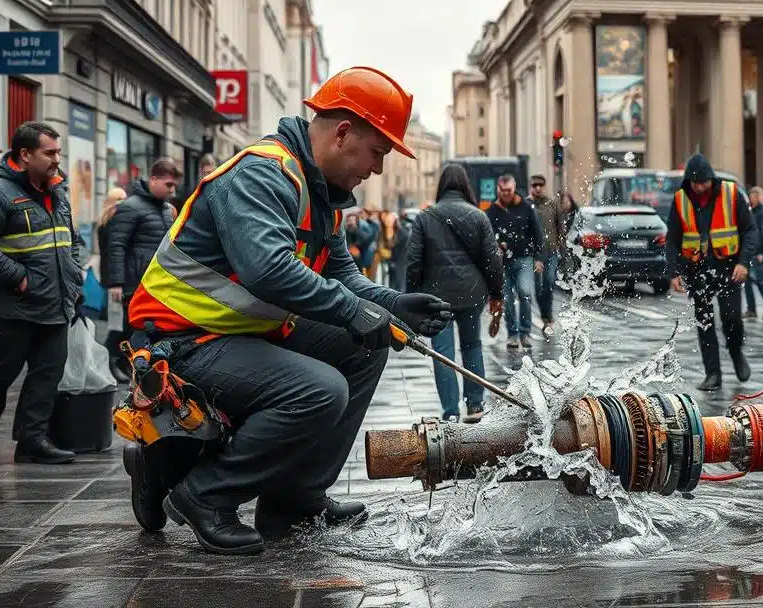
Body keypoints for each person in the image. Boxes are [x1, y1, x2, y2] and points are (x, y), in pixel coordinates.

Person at [122, 66, 451, 555]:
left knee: (367, 347)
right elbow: (268, 271)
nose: (378, 169)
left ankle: (293, 498)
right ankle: (205, 494)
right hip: (182, 340)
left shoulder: (323, 198)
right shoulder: (263, 173)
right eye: (378, 152)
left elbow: (344, 277)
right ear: (343, 134)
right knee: (321, 390)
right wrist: (352, 310)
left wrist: (393, 302)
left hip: (238, 333)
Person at [0, 122, 84, 465]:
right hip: (14, 306)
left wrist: (74, 278)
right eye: (50, 152)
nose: (57, 159)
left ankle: (33, 439)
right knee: (3, 372)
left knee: (48, 374)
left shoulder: (58, 191)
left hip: (56, 303)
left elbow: (70, 240)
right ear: (25, 154)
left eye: (58, 152)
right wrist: (19, 279)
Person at [407, 163, 505, 423]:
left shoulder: (425, 217)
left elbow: (414, 261)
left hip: (437, 295)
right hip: (472, 294)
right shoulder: (478, 216)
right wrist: (497, 294)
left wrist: (410, 297)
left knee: (443, 353)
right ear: (465, 185)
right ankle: (475, 406)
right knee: (472, 346)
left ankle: (450, 412)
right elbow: (491, 261)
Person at [666, 152, 757, 391]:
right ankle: (713, 374)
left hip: (729, 268)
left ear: (711, 179)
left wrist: (743, 263)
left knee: (732, 319)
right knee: (704, 324)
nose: (699, 188)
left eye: (703, 183)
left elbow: (749, 230)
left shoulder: (731, 193)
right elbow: (673, 239)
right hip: (696, 270)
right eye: (695, 183)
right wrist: (674, 272)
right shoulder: (680, 199)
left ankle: (736, 353)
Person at [103, 158, 181, 366]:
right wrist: (116, 282)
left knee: (149, 328)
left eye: (174, 186)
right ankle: (119, 363)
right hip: (134, 281)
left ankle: (135, 366)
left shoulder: (166, 209)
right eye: (169, 185)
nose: (172, 191)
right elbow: (116, 244)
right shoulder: (131, 207)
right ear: (153, 179)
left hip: (157, 282)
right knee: (131, 328)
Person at [486, 174, 544, 350]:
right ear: (498, 189)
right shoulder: (492, 211)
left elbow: (537, 233)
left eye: (508, 191)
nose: (505, 194)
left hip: (524, 258)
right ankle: (512, 333)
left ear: (514, 188)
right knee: (507, 298)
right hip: (501, 263)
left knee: (524, 292)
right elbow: (486, 236)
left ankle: (525, 332)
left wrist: (539, 258)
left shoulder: (526, 208)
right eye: (502, 190)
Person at [96, 186, 129, 379]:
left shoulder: (107, 220)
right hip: (114, 281)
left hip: (113, 278)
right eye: (119, 198)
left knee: (123, 324)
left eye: (125, 198)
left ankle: (119, 361)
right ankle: (109, 361)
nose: (123, 202)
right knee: (118, 325)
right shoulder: (112, 221)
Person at [528, 174, 565, 339]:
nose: (537, 188)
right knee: (538, 287)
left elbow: (560, 227)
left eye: (540, 185)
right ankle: (544, 315)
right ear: (531, 186)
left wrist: (560, 248)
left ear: (544, 186)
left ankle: (548, 317)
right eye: (535, 185)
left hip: (550, 252)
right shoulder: (527, 205)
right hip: (534, 254)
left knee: (549, 283)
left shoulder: (552, 205)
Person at [743, 186, 763, 320]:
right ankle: (751, 309)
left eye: (754, 196)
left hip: (759, 254)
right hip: (751, 252)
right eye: (751, 196)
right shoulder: (752, 211)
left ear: (759, 197)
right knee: (748, 281)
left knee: (759, 281)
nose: (752, 199)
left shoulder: (762, 212)